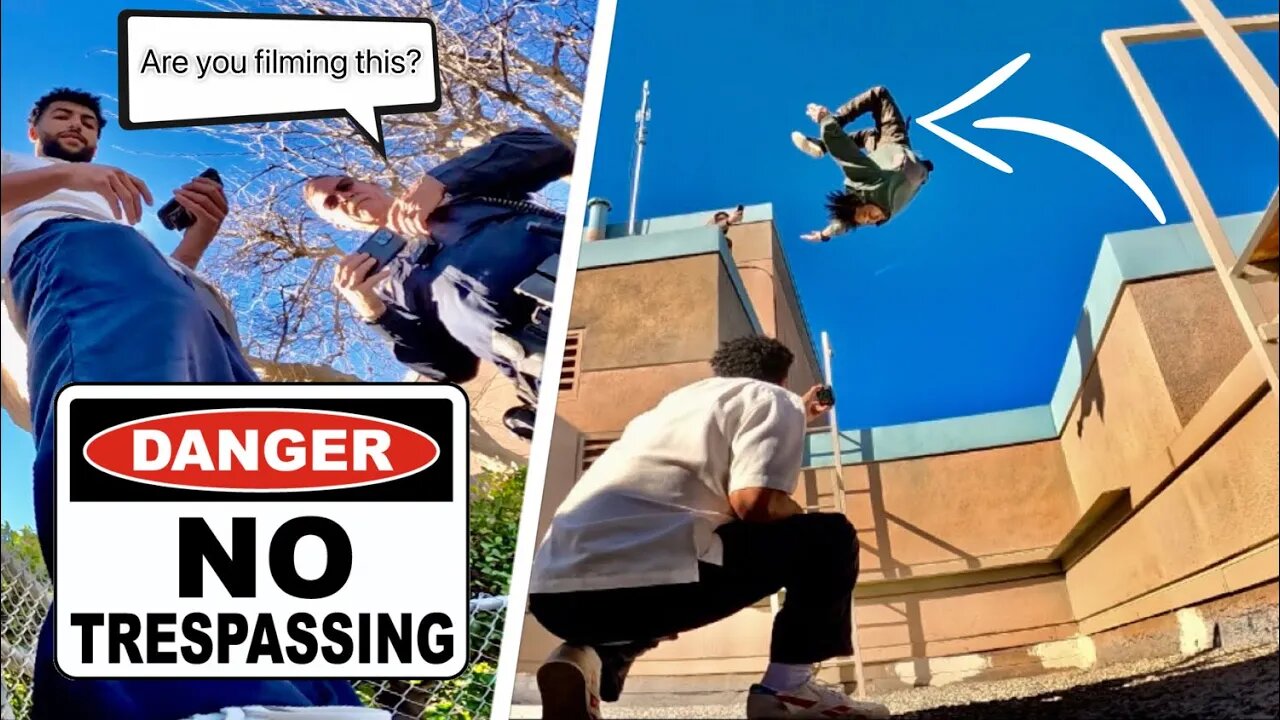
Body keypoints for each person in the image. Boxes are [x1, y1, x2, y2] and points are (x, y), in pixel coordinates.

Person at [1, 87, 381, 720]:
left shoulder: (114, 217)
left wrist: (195, 243)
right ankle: (161, 698)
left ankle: (297, 694)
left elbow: (154, 290)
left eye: (88, 123)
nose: (77, 127)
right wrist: (67, 175)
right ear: (33, 129)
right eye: (62, 118)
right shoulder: (26, 172)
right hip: (70, 256)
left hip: (183, 297)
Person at [526, 335, 891, 720]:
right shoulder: (774, 398)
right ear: (781, 379)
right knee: (827, 536)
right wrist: (796, 496)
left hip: (555, 597)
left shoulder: (668, 408)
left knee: (654, 559)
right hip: (649, 585)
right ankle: (788, 690)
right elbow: (755, 505)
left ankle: (583, 661)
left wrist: (798, 410)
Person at [304, 128, 573, 438]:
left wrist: (442, 180)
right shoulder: (387, 287)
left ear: (370, 183)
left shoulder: (460, 192)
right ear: (339, 224)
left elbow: (547, 147)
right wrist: (375, 314)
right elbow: (451, 369)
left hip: (593, 286)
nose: (345, 196)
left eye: (345, 185)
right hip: (553, 373)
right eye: (333, 203)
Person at [788, 86, 933, 242]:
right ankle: (822, 145)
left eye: (867, 215)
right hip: (891, 155)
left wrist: (826, 120)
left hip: (891, 148)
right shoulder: (873, 209)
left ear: (862, 201)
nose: (872, 220)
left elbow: (845, 154)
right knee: (869, 135)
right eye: (869, 221)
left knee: (879, 96)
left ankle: (825, 140)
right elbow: (842, 225)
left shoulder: (868, 183)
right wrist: (824, 235)